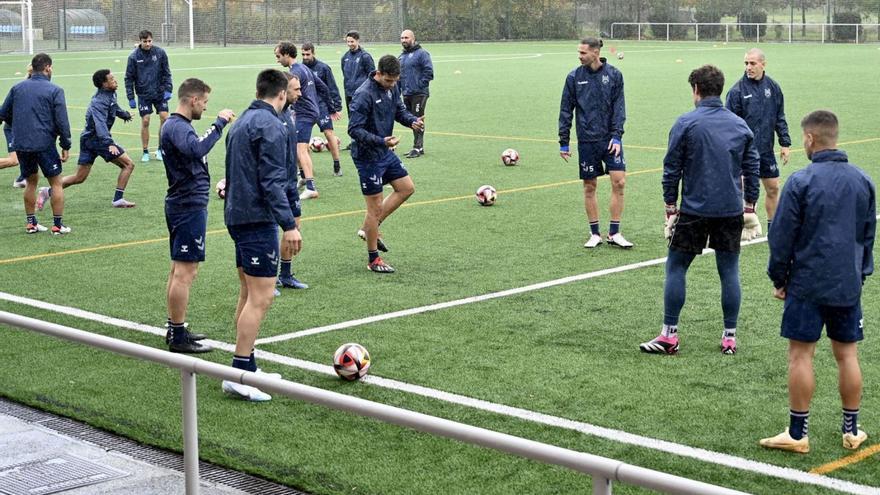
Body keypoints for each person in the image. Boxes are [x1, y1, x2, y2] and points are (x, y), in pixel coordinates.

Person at [760, 110, 875, 454]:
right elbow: (868, 235)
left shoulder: (800, 181)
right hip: (847, 283)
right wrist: (861, 274)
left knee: (800, 356)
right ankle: (852, 430)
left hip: (807, 284)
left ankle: (797, 434)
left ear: (810, 139)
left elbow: (781, 237)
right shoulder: (863, 180)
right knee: (847, 355)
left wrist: (779, 278)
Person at [639, 64, 759, 356]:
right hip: (731, 209)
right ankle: (729, 337)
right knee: (729, 271)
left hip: (694, 209)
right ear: (719, 89)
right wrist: (750, 206)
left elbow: (671, 169)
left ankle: (669, 336)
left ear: (696, 90)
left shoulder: (686, 123)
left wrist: (670, 207)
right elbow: (752, 167)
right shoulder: (739, 125)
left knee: (676, 266)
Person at [222, 69, 301, 401]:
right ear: (281, 94)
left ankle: (247, 366)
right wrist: (290, 224)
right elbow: (272, 181)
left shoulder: (240, 122)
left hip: (238, 215)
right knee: (262, 296)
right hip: (256, 219)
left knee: (248, 291)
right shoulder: (271, 125)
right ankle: (239, 372)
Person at [161, 78, 234, 354]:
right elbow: (197, 149)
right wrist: (218, 124)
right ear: (193, 100)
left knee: (179, 268)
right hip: (187, 204)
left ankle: (175, 327)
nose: (204, 107)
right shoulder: (177, 127)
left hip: (186, 202)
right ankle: (178, 337)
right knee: (185, 271)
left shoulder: (180, 127)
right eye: (204, 102)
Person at [348, 55, 423, 273]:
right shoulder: (363, 95)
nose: (392, 85)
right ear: (378, 73)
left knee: (406, 188)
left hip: (384, 151)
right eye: (389, 81)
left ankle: (370, 227)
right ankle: (373, 259)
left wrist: (411, 121)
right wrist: (381, 140)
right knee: (375, 207)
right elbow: (354, 130)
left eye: (395, 81)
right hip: (367, 156)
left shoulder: (393, 87)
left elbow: (398, 110)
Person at [558, 37, 632, 249]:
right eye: (579, 52)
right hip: (587, 140)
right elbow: (566, 110)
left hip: (610, 139)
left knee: (619, 182)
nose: (579, 56)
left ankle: (615, 233)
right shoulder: (573, 77)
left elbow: (619, 108)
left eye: (583, 53)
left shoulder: (615, 75)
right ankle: (594, 233)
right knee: (590, 186)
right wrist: (564, 141)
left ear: (595, 53)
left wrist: (617, 135)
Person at [36, 70, 137, 210]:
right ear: (103, 84)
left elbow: (113, 106)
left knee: (79, 177)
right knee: (128, 164)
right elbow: (100, 123)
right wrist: (109, 143)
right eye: (112, 79)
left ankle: (47, 192)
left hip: (88, 139)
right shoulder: (98, 102)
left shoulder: (111, 92)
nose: (115, 81)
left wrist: (124, 114)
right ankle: (118, 199)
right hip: (97, 140)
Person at [0, 53, 72, 235]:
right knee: (55, 183)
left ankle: (31, 224)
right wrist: (66, 144)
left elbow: (4, 113)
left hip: (22, 144)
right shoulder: (55, 90)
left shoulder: (17, 88)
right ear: (48, 68)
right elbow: (62, 121)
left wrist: (18, 126)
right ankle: (57, 225)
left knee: (31, 182)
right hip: (44, 144)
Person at [725, 48, 791, 234]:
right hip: (744, 153)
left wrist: (785, 143)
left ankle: (773, 228)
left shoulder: (773, 87)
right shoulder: (736, 91)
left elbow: (780, 116)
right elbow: (728, 125)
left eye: (752, 63)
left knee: (773, 188)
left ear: (763, 64)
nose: (748, 67)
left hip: (766, 150)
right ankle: (740, 227)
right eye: (746, 63)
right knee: (744, 192)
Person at [274, 41, 340, 200]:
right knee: (293, 143)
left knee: (300, 149)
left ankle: (311, 187)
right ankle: (303, 176)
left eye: (278, 56)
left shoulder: (295, 74)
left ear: (287, 54)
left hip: (304, 114)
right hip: (311, 111)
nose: (277, 60)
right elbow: (323, 87)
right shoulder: (304, 68)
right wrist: (330, 108)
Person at [276, 72, 308, 290]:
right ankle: (267, 279)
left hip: (290, 183)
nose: (300, 93)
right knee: (270, 231)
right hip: (274, 185)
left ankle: (285, 274)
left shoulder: (289, 114)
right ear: (282, 92)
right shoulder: (272, 117)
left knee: (294, 226)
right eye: (296, 89)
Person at [125, 29, 172, 163]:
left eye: (150, 41)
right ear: (140, 41)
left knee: (164, 118)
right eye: (145, 41)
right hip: (143, 94)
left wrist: (168, 88)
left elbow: (166, 72)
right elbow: (129, 78)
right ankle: (145, 151)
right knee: (145, 120)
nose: (148, 44)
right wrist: (131, 97)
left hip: (160, 92)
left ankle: (160, 149)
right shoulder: (133, 57)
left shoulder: (160, 53)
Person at [302, 42, 344, 176]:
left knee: (328, 133)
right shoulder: (300, 68)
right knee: (301, 138)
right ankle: (304, 170)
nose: (305, 57)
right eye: (303, 54)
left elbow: (332, 87)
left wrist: (336, 107)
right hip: (306, 107)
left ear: (313, 53)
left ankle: (337, 165)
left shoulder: (323, 68)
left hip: (321, 106)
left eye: (308, 54)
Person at [398, 29, 433, 159]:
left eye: (406, 38)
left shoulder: (422, 54)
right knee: (411, 119)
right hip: (406, 93)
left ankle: (418, 147)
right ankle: (418, 146)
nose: (403, 40)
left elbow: (429, 71)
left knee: (418, 118)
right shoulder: (401, 57)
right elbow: (399, 76)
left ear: (413, 38)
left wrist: (420, 85)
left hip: (419, 93)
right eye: (402, 38)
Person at [341, 31, 375, 115]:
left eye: (352, 41)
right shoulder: (345, 57)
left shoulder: (365, 56)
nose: (349, 44)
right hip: (348, 93)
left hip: (362, 94)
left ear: (357, 41)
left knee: (362, 118)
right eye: (348, 42)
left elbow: (372, 76)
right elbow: (344, 74)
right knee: (351, 118)